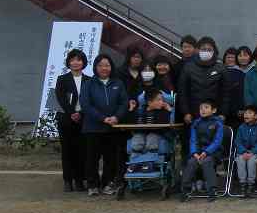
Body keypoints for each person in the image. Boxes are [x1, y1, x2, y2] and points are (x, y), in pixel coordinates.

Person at [80, 54, 129, 197]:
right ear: (95, 67)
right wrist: (103, 118)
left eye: (107, 65)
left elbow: (123, 102)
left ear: (111, 67)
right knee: (92, 158)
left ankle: (107, 184)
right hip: (93, 127)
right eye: (101, 65)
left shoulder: (117, 83)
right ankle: (92, 185)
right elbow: (86, 105)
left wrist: (116, 117)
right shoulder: (88, 84)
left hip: (112, 128)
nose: (104, 68)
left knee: (111, 158)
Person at [55, 49, 89, 192]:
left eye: (79, 60)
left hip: (83, 119)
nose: (76, 62)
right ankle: (68, 180)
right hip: (66, 120)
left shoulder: (89, 80)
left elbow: (89, 99)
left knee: (82, 150)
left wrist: (80, 113)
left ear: (83, 62)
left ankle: (80, 180)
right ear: (69, 62)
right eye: (73, 60)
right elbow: (60, 99)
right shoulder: (62, 79)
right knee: (68, 151)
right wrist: (72, 113)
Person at [179, 99, 225, 202]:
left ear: (214, 110)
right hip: (198, 152)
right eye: (201, 108)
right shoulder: (196, 123)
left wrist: (206, 152)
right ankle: (185, 189)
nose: (202, 110)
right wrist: (194, 153)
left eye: (206, 107)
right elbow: (193, 140)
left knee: (207, 161)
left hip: (213, 152)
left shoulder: (218, 123)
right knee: (191, 162)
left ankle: (212, 190)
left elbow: (217, 142)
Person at [176, 37, 226, 128]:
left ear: (214, 51)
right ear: (197, 50)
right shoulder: (188, 67)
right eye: (203, 49)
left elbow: (226, 93)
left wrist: (223, 113)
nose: (206, 51)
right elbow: (182, 92)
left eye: (209, 49)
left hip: (214, 114)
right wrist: (186, 112)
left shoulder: (221, 68)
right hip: (193, 114)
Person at [233, 103, 257, 198]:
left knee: (251, 161)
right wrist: (244, 151)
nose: (246, 115)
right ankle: (243, 184)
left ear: (256, 116)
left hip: (255, 152)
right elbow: (238, 141)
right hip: (243, 152)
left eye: (249, 113)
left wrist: (252, 152)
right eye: (245, 113)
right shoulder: (241, 127)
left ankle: (251, 184)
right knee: (240, 160)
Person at [128, 88, 172, 154]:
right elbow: (131, 122)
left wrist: (169, 110)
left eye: (162, 100)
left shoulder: (163, 112)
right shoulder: (140, 111)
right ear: (149, 102)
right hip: (142, 133)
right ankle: (136, 159)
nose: (162, 102)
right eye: (159, 100)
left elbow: (166, 122)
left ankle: (152, 159)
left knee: (152, 137)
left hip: (157, 133)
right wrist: (131, 109)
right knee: (137, 138)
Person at [221, 47, 245, 126]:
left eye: (233, 57)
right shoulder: (218, 72)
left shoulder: (242, 74)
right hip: (220, 113)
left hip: (236, 114)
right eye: (228, 57)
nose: (230, 59)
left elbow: (242, 94)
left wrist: (241, 109)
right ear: (224, 58)